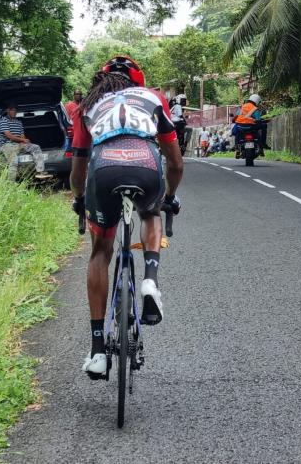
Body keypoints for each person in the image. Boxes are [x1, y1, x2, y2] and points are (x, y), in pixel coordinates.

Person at [69, 56, 183, 377]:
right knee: (151, 212)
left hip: (103, 170)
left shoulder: (89, 104)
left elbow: (78, 168)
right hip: (145, 164)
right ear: (137, 80)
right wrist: (169, 197)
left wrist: (80, 199)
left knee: (101, 252)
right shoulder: (153, 97)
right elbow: (175, 163)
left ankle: (97, 352)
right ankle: (150, 280)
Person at [0, 104, 53, 181]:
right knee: (14, 161)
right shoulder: (3, 121)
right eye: (12, 110)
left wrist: (24, 142)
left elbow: (22, 135)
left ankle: (40, 172)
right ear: (8, 111)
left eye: (15, 110)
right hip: (7, 145)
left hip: (19, 144)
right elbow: (9, 135)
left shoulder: (19, 122)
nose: (14, 112)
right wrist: (23, 140)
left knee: (35, 147)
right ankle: (11, 183)